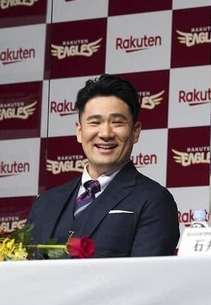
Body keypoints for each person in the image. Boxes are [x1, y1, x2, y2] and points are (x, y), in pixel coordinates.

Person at [27, 74, 180, 257]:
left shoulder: (154, 201)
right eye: (95, 122)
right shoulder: (45, 202)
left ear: (135, 132)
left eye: (117, 122)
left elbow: (145, 273)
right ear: (79, 131)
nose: (105, 133)